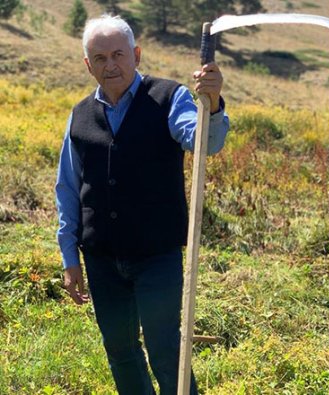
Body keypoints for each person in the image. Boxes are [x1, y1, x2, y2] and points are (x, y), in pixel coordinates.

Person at [55, 14, 229, 394]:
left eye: (118, 54)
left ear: (136, 54)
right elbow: (67, 188)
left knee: (166, 352)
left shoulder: (170, 98)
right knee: (120, 351)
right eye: (99, 58)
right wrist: (70, 256)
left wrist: (212, 105)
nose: (110, 65)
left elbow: (204, 142)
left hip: (156, 257)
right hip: (101, 258)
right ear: (88, 65)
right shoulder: (80, 115)